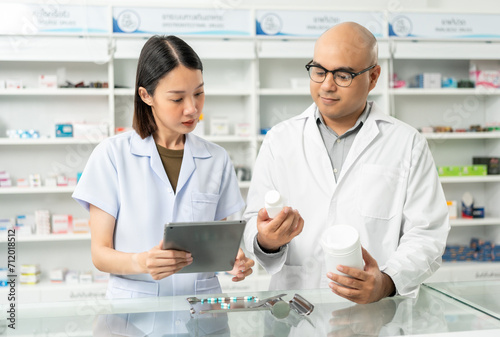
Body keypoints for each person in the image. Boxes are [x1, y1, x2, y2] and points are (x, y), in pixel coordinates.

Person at [243, 22, 449, 304]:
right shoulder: (280, 140)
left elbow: (427, 235)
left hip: (377, 313)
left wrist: (387, 282)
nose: (326, 85)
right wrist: (267, 240)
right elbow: (252, 223)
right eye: (318, 71)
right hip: (295, 309)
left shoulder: (407, 143)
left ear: (373, 77)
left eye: (343, 75)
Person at [73, 35, 254, 300]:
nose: (193, 108)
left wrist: (232, 260)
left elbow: (216, 245)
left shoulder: (217, 159)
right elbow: (100, 254)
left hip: (202, 312)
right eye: (177, 99)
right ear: (146, 95)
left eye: (199, 93)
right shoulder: (111, 155)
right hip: (136, 314)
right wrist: (142, 262)